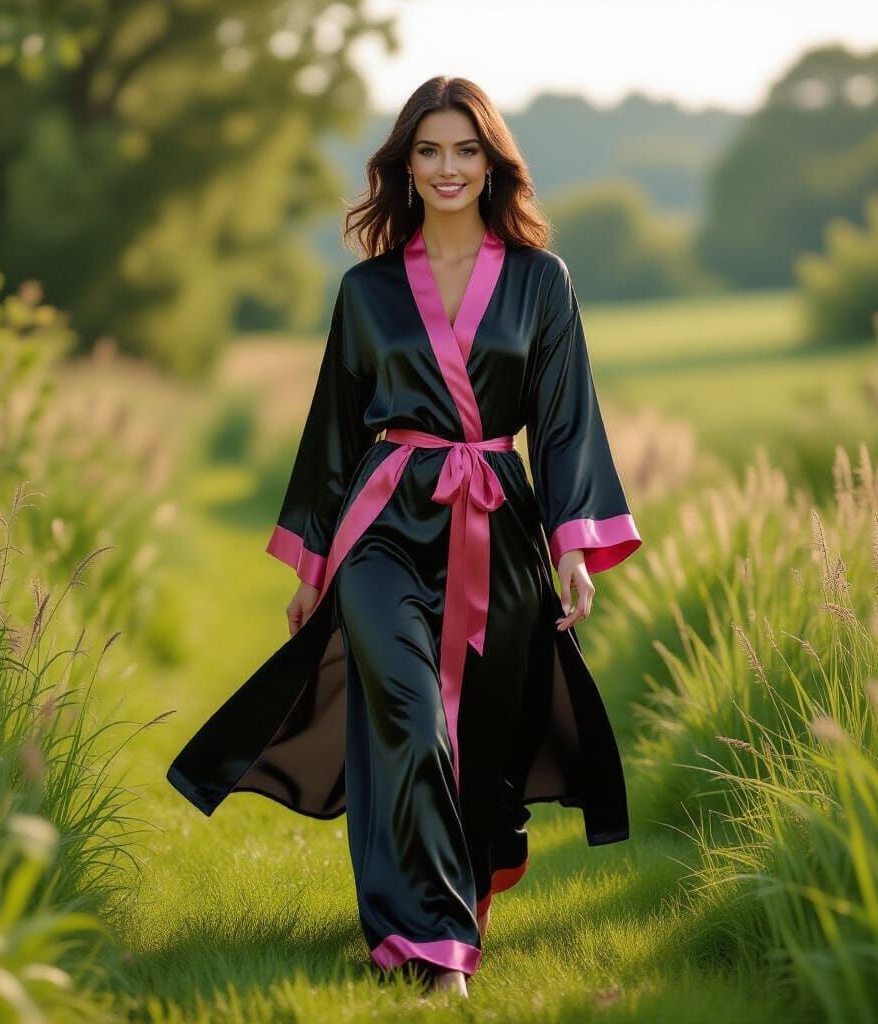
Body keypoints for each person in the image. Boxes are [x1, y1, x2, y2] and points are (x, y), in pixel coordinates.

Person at [166, 75, 643, 999]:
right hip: (384, 526)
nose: (448, 167)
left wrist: (572, 546)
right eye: (429, 151)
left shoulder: (542, 282)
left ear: (493, 162)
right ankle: (428, 948)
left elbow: (564, 418)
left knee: (483, 744)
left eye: (466, 149)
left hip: (497, 525)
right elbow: (334, 433)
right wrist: (314, 565)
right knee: (408, 720)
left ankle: (463, 884)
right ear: (405, 166)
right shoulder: (369, 292)